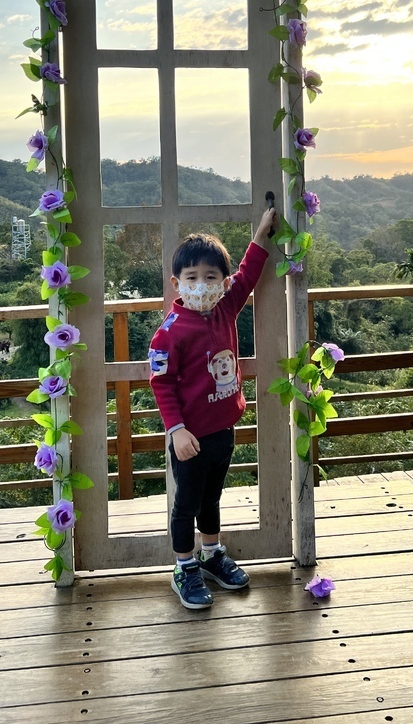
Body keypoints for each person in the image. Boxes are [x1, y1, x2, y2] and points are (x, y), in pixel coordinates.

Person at [148, 207, 277, 610]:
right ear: (177, 284)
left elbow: (248, 273)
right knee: (186, 502)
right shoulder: (168, 333)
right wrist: (176, 429)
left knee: (213, 498)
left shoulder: (225, 307)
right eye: (192, 278)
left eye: (210, 277)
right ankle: (184, 567)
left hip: (223, 427)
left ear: (222, 283)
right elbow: (161, 383)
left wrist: (260, 235)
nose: (202, 284)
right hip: (189, 436)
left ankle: (211, 553)